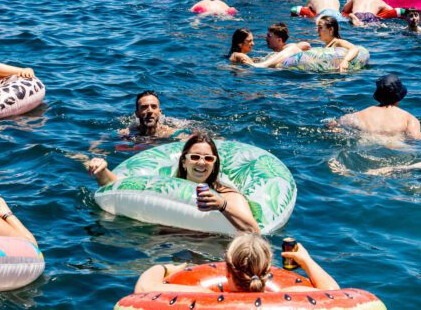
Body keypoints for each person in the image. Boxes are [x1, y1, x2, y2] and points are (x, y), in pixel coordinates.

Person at [89, 133, 260, 232]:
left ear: (214, 163)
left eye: (208, 158)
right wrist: (102, 170)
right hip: (167, 244)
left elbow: (254, 231)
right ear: (184, 161)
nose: (201, 163)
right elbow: (121, 187)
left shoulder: (227, 195)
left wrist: (222, 206)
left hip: (209, 249)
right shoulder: (167, 186)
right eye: (195, 157)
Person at [134, 232, 339, 294]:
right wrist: (306, 261)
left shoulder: (207, 297)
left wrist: (165, 268)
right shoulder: (288, 297)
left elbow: (144, 288)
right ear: (268, 270)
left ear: (226, 269)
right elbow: (334, 292)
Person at [337, 74, 421, 139]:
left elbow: (335, 124)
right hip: (396, 148)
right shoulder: (409, 119)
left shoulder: (360, 115)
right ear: (400, 97)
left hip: (367, 144)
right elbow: (416, 140)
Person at [116, 91, 185, 141]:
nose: (150, 111)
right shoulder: (126, 133)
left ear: (160, 112)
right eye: (144, 107)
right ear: (137, 114)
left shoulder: (171, 133)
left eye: (154, 107)